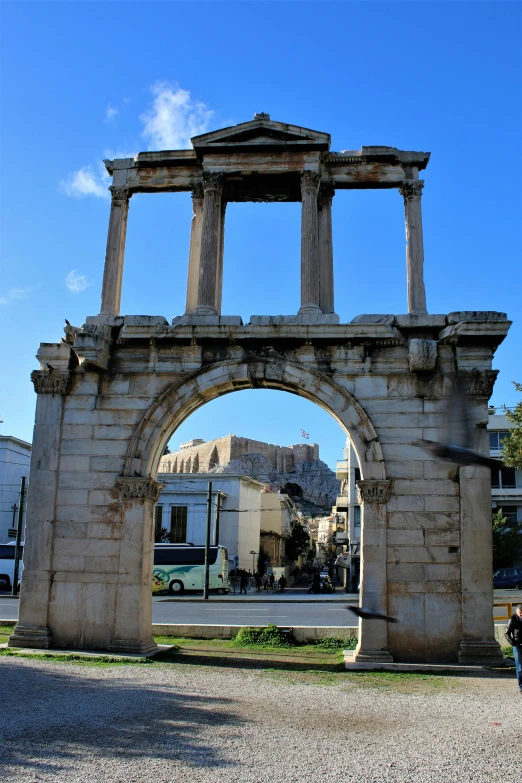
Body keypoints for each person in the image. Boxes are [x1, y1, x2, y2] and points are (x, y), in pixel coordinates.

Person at [505, 603, 522, 694]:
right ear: (517, 612)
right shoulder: (512, 620)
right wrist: (513, 643)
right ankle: (521, 686)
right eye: (520, 612)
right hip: (518, 645)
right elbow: (506, 633)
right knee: (520, 667)